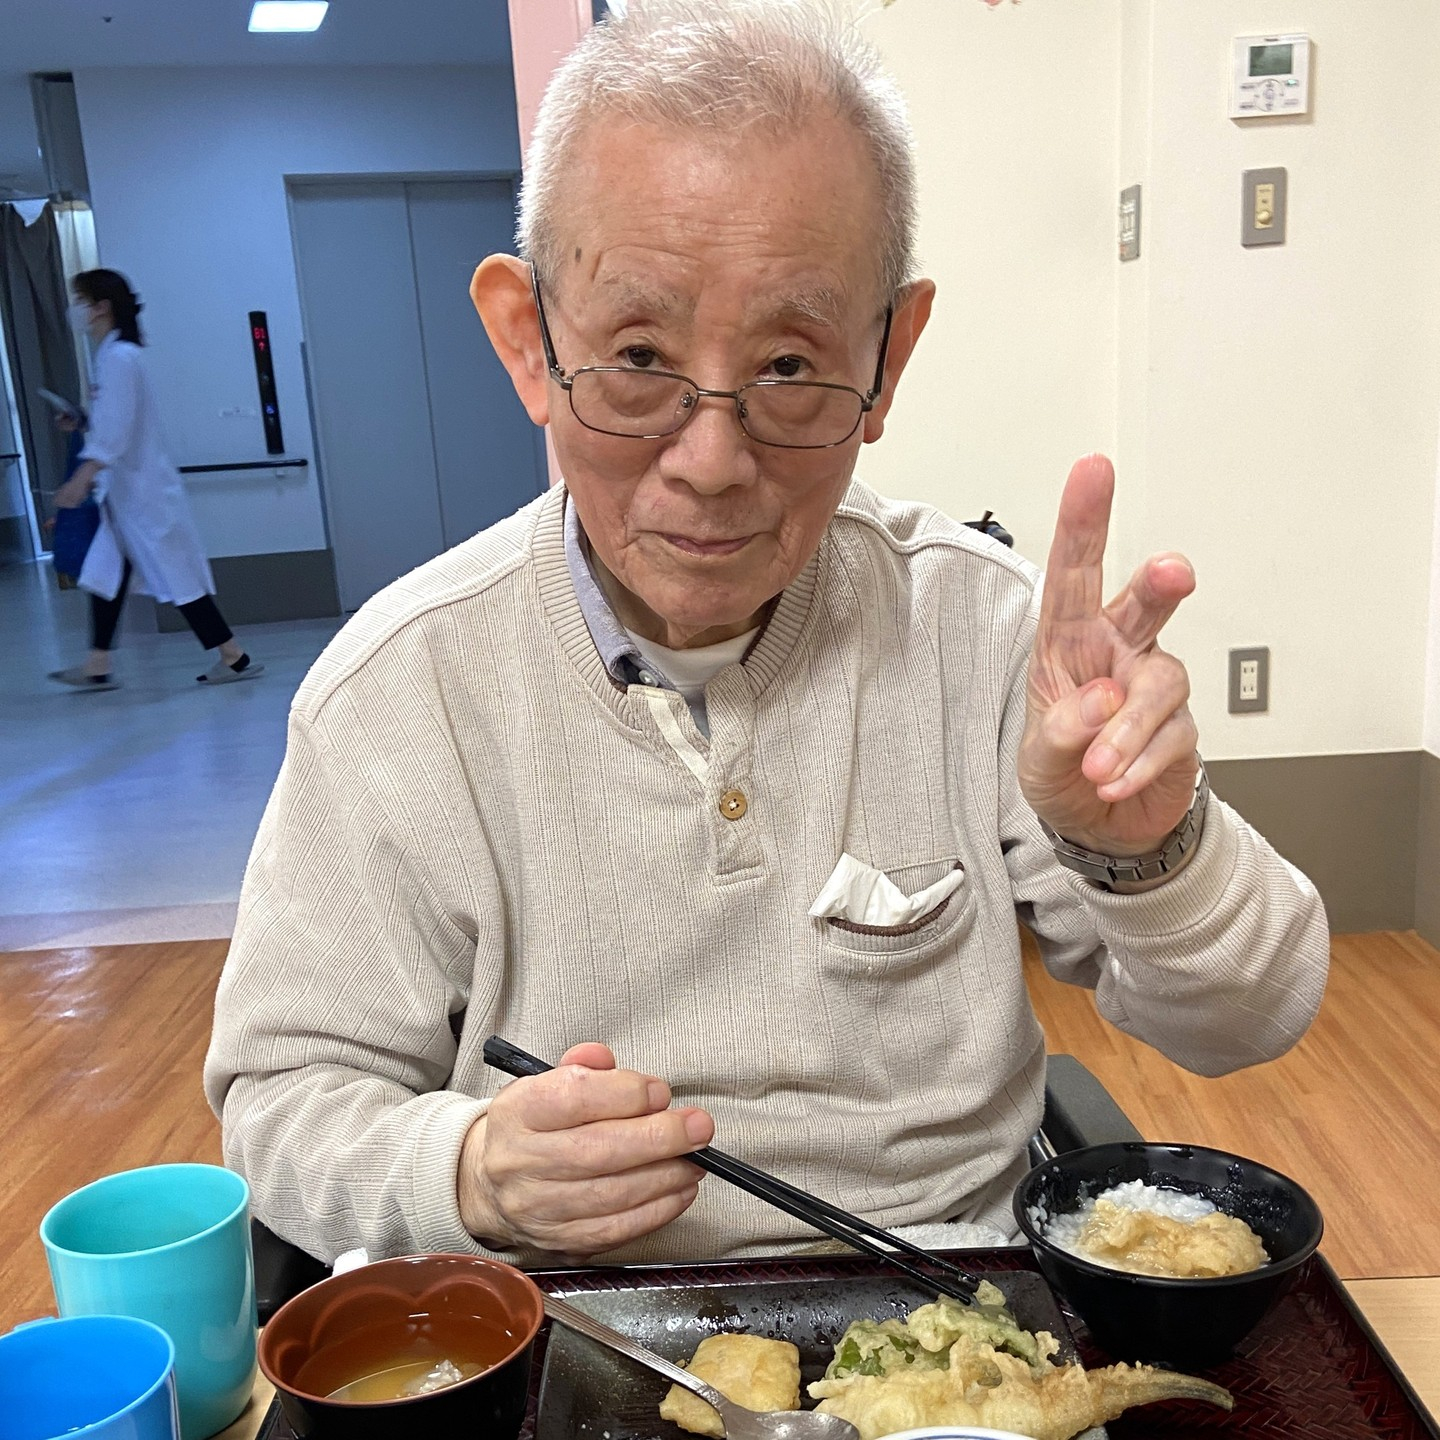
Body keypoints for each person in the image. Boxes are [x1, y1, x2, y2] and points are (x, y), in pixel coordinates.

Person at [205, 0, 1328, 1269]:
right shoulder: (400, 691)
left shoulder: (983, 629)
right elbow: (282, 1095)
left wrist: (1146, 849)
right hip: (577, 1325)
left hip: (948, 1313)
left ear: (888, 358)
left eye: (792, 366)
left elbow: (1256, 1016)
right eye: (637, 353)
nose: (712, 459)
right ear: (529, 341)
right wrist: (467, 1171)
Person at [49, 269, 261, 690]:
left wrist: (81, 477)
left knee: (177, 575)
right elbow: (113, 422)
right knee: (106, 572)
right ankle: (97, 663)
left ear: (101, 307)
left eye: (80, 300)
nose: (76, 310)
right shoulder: (112, 356)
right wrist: (83, 422)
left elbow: (116, 432)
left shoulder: (120, 358)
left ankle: (233, 655)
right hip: (128, 494)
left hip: (143, 495)